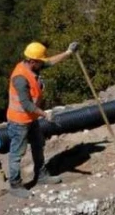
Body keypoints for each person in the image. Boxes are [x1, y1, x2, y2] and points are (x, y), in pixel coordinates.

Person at [6, 40, 79, 198]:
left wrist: (68, 53)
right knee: (17, 153)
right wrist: (46, 114)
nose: (42, 65)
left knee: (38, 145)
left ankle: (41, 175)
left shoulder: (33, 66)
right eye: (40, 62)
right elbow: (26, 104)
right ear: (32, 61)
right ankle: (15, 184)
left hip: (31, 119)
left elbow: (50, 62)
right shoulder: (20, 78)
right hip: (19, 121)